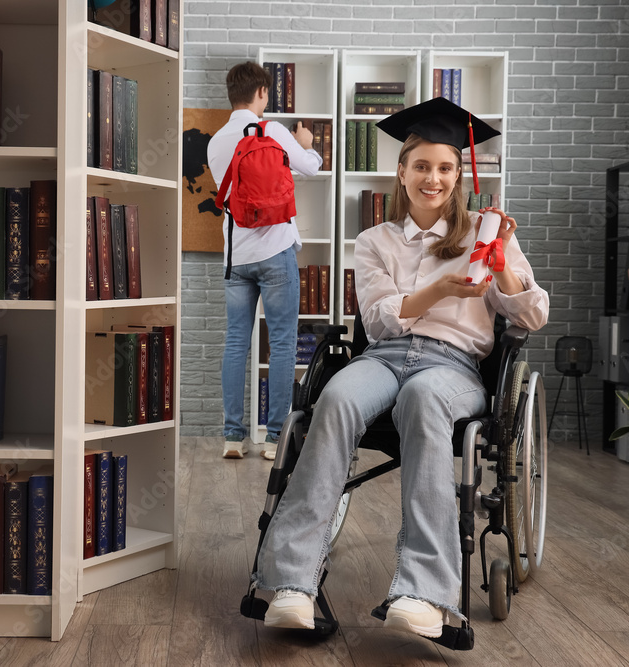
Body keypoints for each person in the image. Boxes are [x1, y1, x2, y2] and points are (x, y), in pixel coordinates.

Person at [253, 97, 550, 638]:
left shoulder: (486, 232)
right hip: (385, 357)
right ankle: (291, 582)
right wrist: (438, 288)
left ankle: (424, 592)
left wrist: (503, 266)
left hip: (453, 367)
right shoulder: (373, 242)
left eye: (443, 168)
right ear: (402, 171)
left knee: (424, 398)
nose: (432, 178)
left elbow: (532, 314)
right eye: (421, 166)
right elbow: (381, 320)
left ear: (459, 175)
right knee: (336, 399)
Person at [207, 62, 323, 460]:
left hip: (236, 257)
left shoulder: (216, 140)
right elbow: (312, 167)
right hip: (275, 252)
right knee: (283, 344)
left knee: (236, 342)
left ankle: (232, 437)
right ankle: (275, 438)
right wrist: (305, 143)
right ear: (260, 93)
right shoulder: (271, 130)